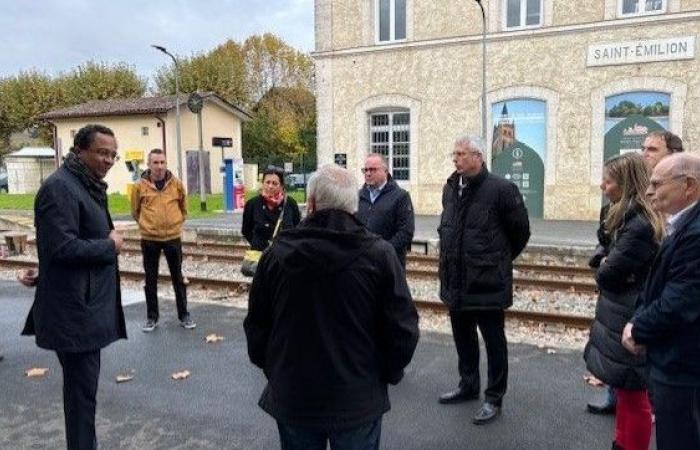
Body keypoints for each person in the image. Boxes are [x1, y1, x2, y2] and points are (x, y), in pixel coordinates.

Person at [244, 164, 419, 449]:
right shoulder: (380, 255)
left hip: (294, 394)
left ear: (311, 203)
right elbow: (403, 329)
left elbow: (257, 325)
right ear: (354, 205)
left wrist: (273, 369)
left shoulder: (276, 255)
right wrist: (387, 374)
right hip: (358, 398)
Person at [19, 124, 127, 450]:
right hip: (75, 316)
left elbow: (58, 246)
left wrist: (43, 271)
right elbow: (63, 248)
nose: (109, 159)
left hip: (83, 307)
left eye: (113, 154)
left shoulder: (84, 183)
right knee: (81, 400)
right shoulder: (60, 189)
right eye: (102, 152)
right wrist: (111, 245)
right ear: (80, 150)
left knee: (84, 396)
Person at [587, 129, 684, 415]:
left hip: (633, 303)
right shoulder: (620, 207)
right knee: (624, 375)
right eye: (643, 148)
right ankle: (615, 397)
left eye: (652, 149)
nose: (645, 153)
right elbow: (604, 247)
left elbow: (616, 266)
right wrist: (604, 260)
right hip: (620, 304)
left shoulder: (651, 209)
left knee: (634, 384)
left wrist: (608, 265)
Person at [437, 134, 530, 425]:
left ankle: (494, 397)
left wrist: (497, 260)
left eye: (462, 154)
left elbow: (520, 233)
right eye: (454, 154)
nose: (456, 159)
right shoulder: (451, 187)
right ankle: (468, 385)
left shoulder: (502, 189)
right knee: (463, 337)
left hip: (487, 282)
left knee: (493, 341)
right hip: (456, 280)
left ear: (479, 157)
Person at [583, 153, 663, 450]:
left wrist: (604, 264)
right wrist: (603, 260)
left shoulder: (639, 223)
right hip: (619, 312)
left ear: (627, 183)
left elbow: (608, 273)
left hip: (628, 313)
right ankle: (622, 442)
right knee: (625, 390)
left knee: (634, 395)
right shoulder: (621, 214)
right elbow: (601, 252)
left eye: (609, 179)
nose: (603, 185)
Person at [622, 153, 700, 450]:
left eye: (657, 183)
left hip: (682, 365)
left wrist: (638, 329)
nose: (649, 191)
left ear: (689, 186)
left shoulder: (695, 232)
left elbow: (681, 298)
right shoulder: (682, 224)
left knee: (680, 439)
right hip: (675, 358)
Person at [131, 148, 195, 332]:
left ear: (166, 164)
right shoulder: (139, 187)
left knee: (178, 278)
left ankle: (184, 315)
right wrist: (147, 225)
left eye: (162, 162)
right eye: (155, 163)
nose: (159, 166)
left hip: (173, 238)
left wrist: (175, 224)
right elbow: (135, 211)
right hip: (149, 239)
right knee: (150, 279)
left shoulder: (176, 184)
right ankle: (152, 317)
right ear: (149, 164)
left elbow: (184, 208)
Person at [356, 153, 415, 267]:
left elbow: (406, 232)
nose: (368, 173)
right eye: (365, 170)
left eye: (373, 169)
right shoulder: (359, 196)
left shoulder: (400, 197)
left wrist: (383, 251)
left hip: (389, 264)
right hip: (363, 264)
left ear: (385, 171)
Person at [241, 166, 301, 251]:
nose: (270, 186)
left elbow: (297, 229)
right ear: (263, 183)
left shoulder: (290, 204)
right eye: (267, 182)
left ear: (281, 186)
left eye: (274, 183)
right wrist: (257, 243)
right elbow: (246, 230)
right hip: (260, 256)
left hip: (283, 255)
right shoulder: (252, 204)